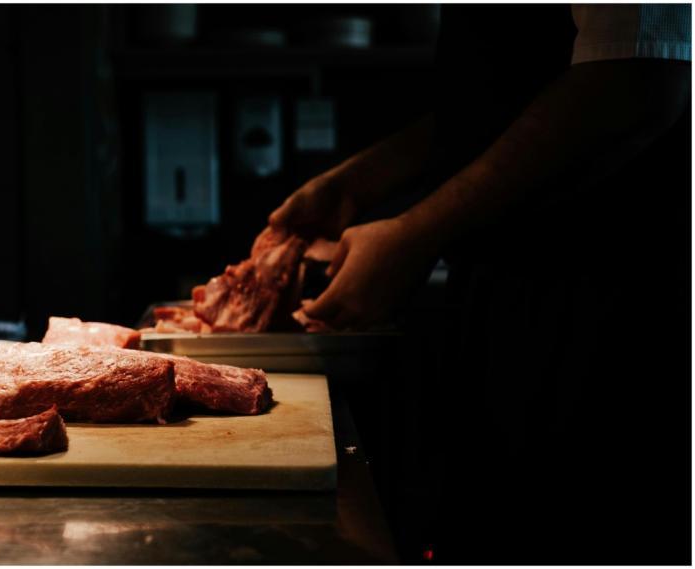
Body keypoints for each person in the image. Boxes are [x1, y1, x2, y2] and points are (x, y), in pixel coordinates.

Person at [270, 5, 691, 564]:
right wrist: (366, 178)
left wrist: (416, 234)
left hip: (612, 308)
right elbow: (506, 97)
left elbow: (638, 80)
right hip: (509, 299)